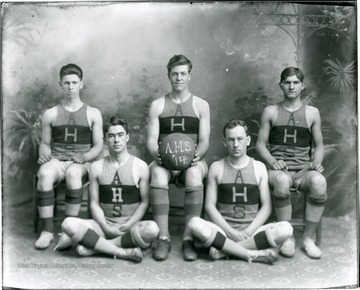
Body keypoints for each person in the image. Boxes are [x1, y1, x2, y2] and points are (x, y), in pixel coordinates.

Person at [188, 119, 293, 263]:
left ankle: (224, 251)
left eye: (240, 139)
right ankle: (250, 254)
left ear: (248, 140)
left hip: (252, 231)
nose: (236, 145)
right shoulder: (217, 167)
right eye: (231, 140)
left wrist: (248, 232)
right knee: (194, 223)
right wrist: (230, 232)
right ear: (225, 142)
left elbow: (267, 207)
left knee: (286, 228)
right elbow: (209, 206)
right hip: (223, 231)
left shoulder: (259, 167)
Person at [55, 117, 159, 262]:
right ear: (105, 140)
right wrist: (105, 226)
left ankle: (96, 248)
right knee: (67, 223)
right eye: (111, 136)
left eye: (120, 135)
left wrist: (128, 225)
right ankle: (120, 252)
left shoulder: (140, 166)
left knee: (152, 229)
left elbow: (144, 203)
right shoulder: (96, 167)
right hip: (102, 227)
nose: (116, 140)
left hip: (128, 227)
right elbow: (94, 204)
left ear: (127, 137)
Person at [256, 67, 327, 259]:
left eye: (296, 82)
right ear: (281, 85)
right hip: (279, 171)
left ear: (303, 86)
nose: (291, 86)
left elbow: (319, 146)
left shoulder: (312, 113)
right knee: (281, 181)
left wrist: (316, 163)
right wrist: (273, 161)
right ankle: (287, 237)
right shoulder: (270, 111)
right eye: (287, 82)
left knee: (319, 183)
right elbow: (260, 145)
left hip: (303, 171)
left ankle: (308, 238)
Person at [147, 55, 210, 261]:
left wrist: (196, 156)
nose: (179, 78)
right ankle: (163, 237)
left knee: (193, 174)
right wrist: (157, 155)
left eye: (183, 74)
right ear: (169, 76)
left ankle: (188, 238)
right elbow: (151, 140)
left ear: (190, 76)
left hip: (192, 161)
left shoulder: (201, 105)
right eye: (175, 74)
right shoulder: (157, 105)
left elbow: (204, 141)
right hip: (164, 162)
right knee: (156, 173)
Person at [35, 63, 104, 250]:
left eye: (74, 82)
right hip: (57, 160)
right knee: (44, 173)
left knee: (74, 174)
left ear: (82, 84)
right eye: (67, 83)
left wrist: (86, 156)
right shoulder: (51, 114)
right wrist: (44, 154)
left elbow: (99, 146)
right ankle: (47, 231)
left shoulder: (93, 113)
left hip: (80, 162)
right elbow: (45, 143)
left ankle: (68, 231)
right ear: (60, 84)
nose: (71, 87)